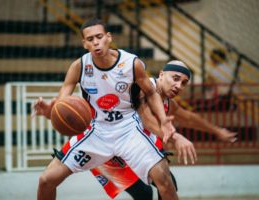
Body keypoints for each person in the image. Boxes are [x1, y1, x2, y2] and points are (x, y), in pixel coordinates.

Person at [33, 18, 178, 200]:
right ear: (84, 43)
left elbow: (151, 93)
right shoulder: (79, 67)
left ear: (108, 37)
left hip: (128, 129)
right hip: (96, 132)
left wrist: (163, 119)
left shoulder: (131, 63)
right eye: (90, 39)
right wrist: (50, 111)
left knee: (165, 182)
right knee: (46, 180)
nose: (95, 42)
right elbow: (62, 104)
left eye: (99, 37)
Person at [57, 60, 237, 200]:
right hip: (107, 150)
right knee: (145, 194)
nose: (178, 86)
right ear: (161, 75)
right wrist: (175, 137)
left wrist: (216, 131)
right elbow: (147, 119)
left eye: (183, 83)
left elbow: (189, 117)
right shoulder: (143, 88)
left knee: (167, 185)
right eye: (175, 78)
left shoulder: (167, 102)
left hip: (130, 151)